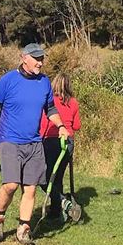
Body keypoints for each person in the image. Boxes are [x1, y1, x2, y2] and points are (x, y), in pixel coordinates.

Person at [0, 43, 70, 245]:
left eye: (42, 59)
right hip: (10, 140)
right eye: (36, 58)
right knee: (11, 185)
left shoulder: (44, 82)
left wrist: (61, 126)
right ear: (24, 58)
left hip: (34, 143)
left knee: (30, 189)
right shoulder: (7, 81)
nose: (40, 62)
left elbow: (50, 109)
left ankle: (23, 230)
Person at [39, 73, 81, 222]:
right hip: (68, 141)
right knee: (58, 178)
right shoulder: (74, 102)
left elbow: (43, 123)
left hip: (51, 140)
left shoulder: (49, 101)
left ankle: (63, 203)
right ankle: (57, 211)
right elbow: (77, 126)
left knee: (44, 178)